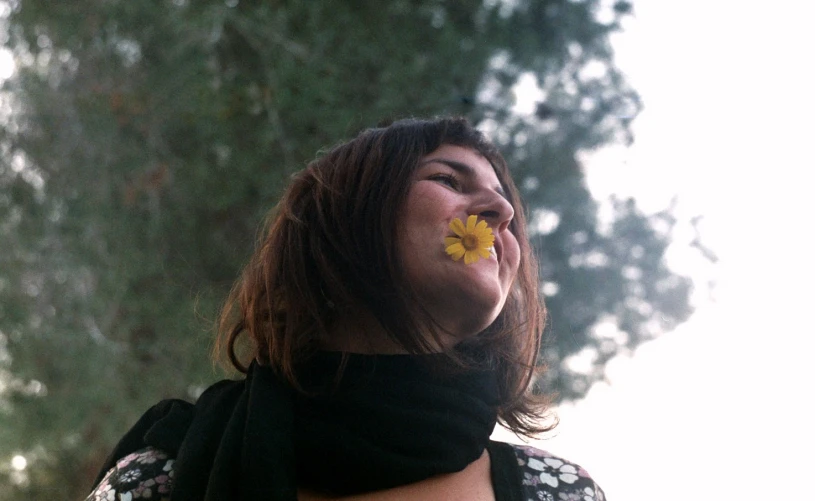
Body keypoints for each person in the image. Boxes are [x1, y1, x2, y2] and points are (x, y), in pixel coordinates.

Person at [85, 117, 606, 501]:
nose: (503, 213)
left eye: (506, 207)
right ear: (346, 222)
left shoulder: (558, 493)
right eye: (448, 180)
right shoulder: (161, 482)